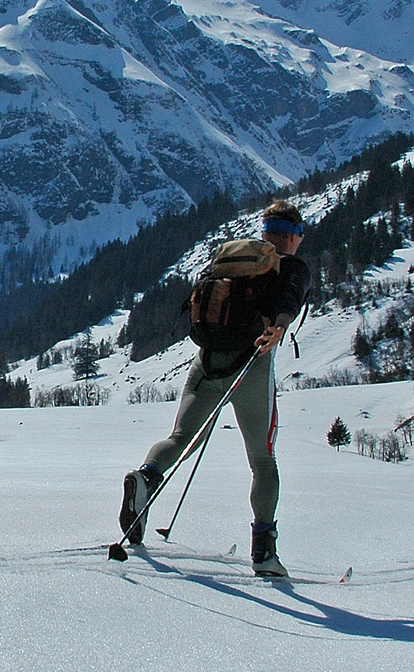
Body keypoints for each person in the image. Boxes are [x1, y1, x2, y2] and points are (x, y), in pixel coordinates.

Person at [120, 200, 312, 577]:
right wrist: (280, 325)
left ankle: (146, 477)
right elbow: (289, 298)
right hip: (251, 367)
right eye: (299, 236)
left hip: (206, 363)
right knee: (262, 461)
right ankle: (265, 551)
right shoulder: (290, 266)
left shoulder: (234, 260)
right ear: (293, 236)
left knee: (180, 437)